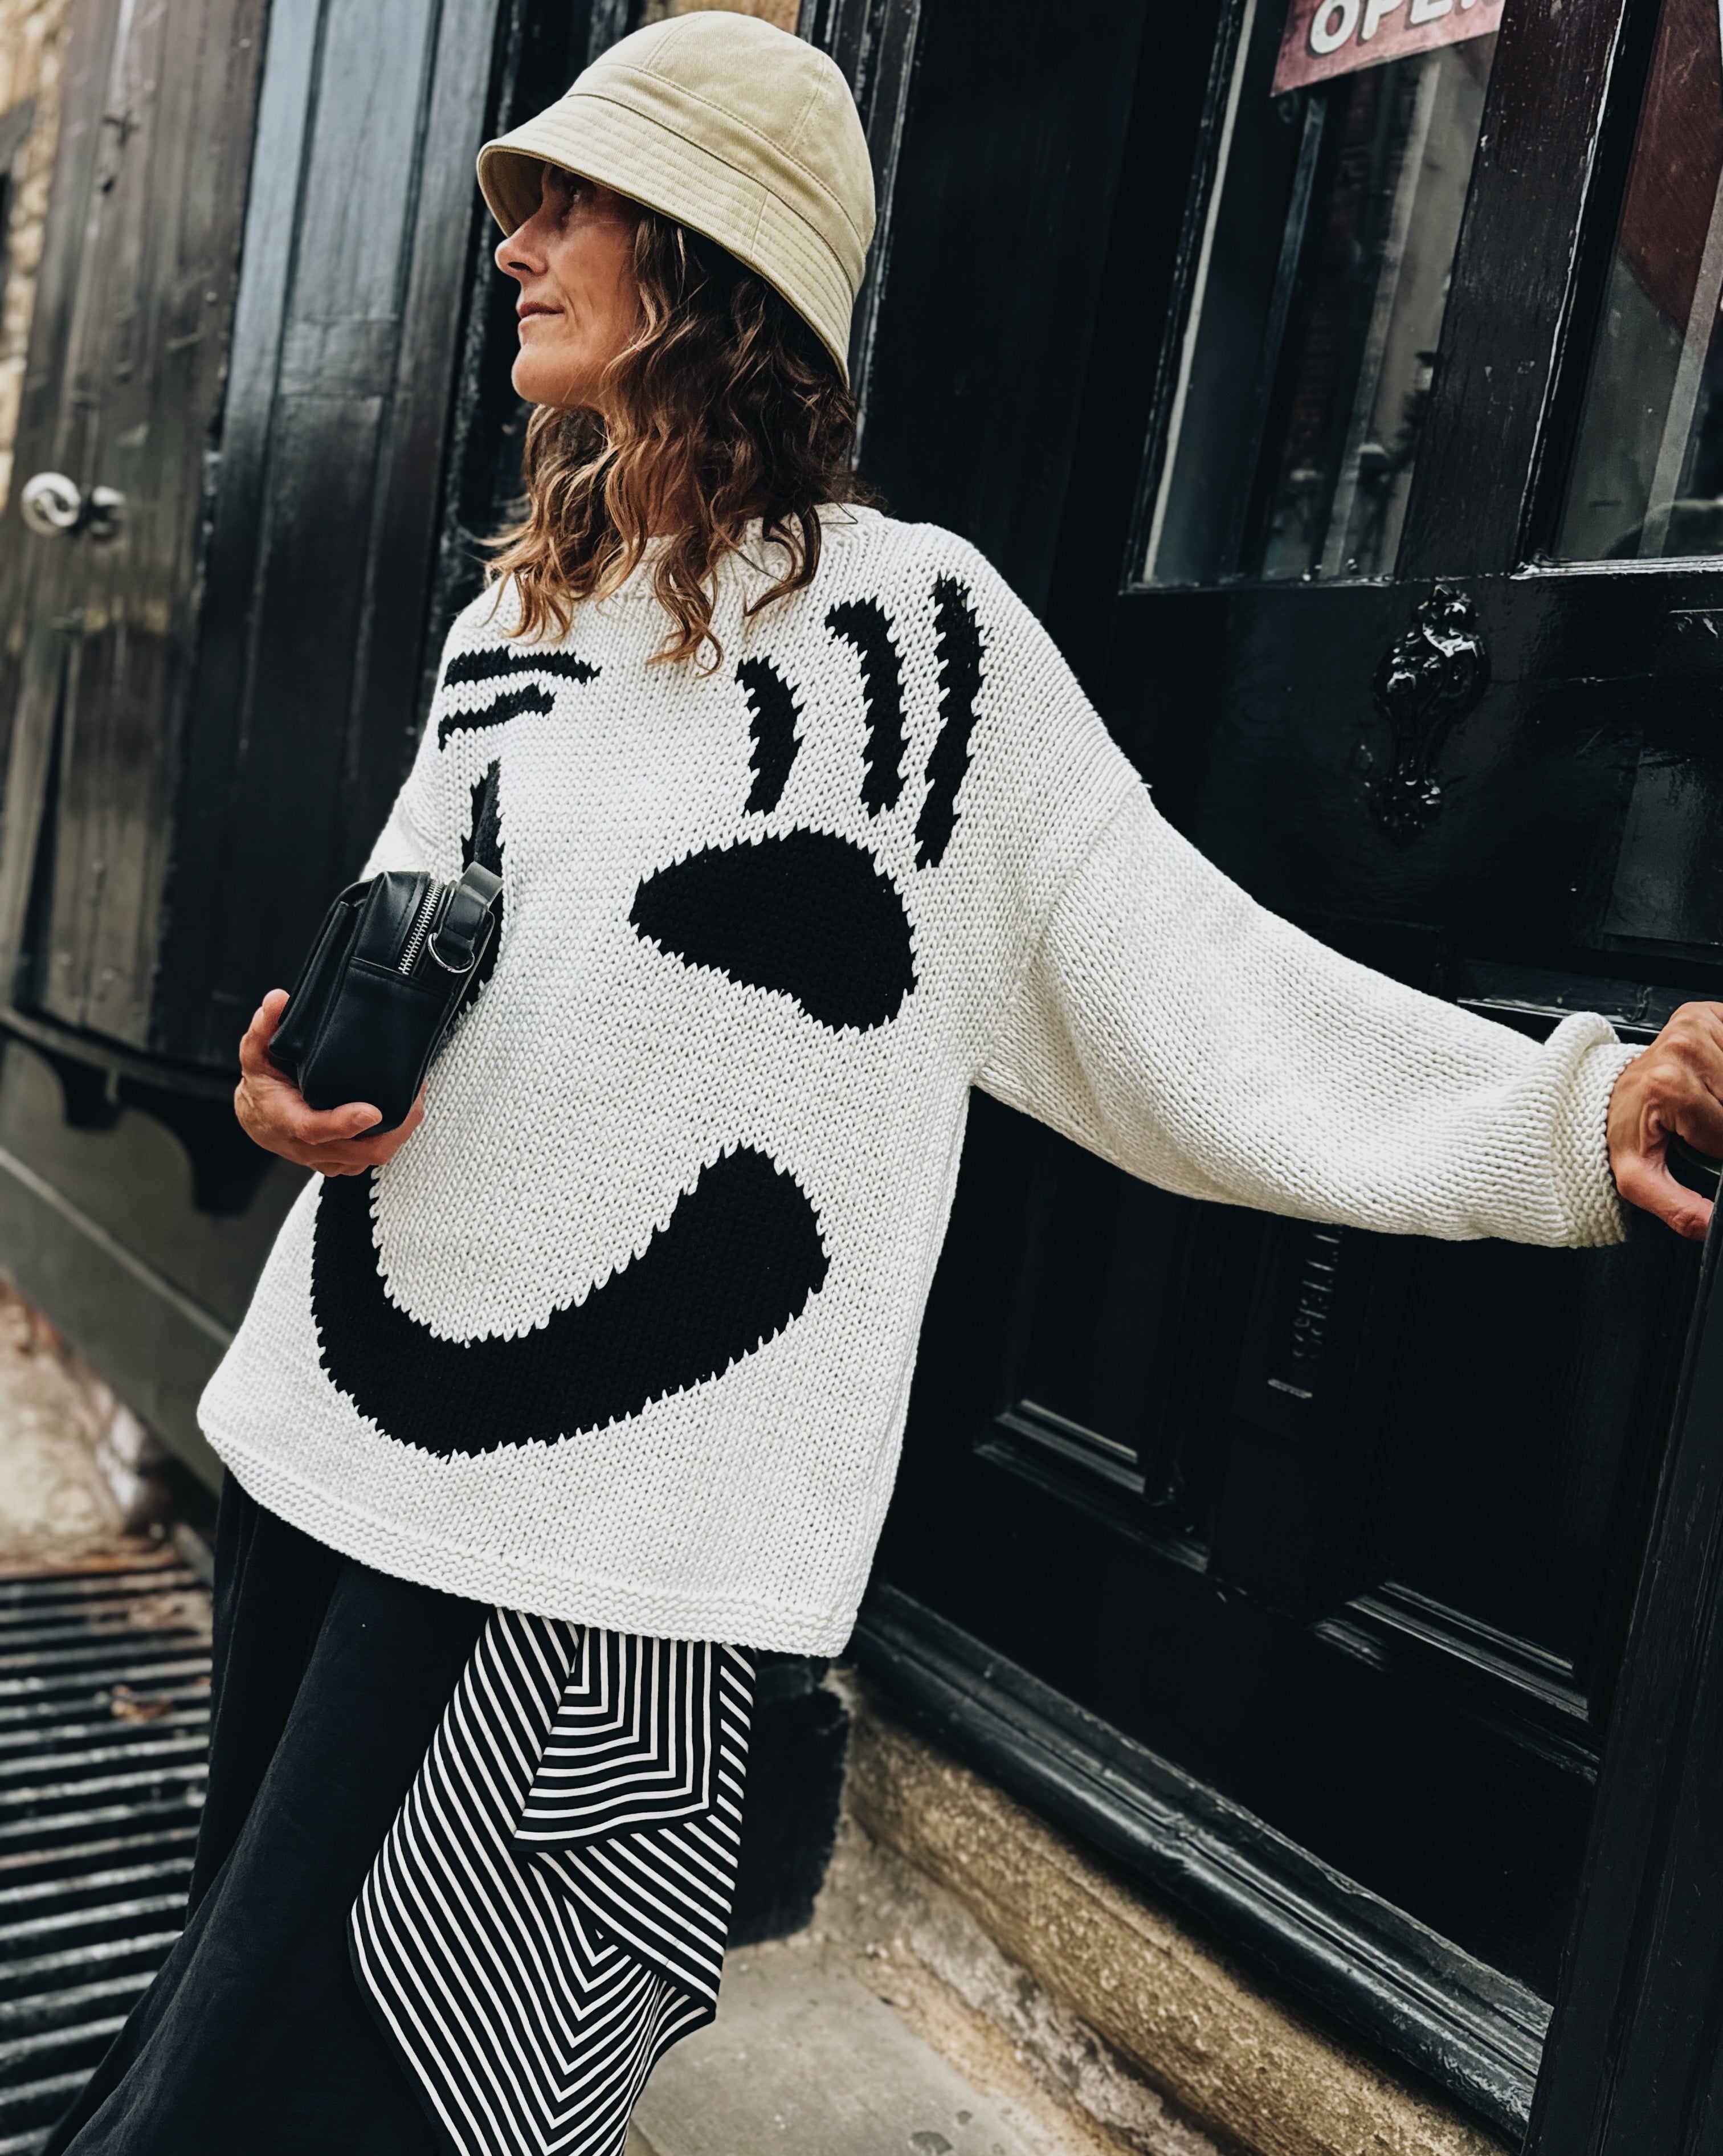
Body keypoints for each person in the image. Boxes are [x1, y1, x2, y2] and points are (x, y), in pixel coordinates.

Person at [45, 13, 1723, 2156]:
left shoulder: (920, 645)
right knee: (232, 2043)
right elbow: (405, 933)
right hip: (329, 1452)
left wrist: (1559, 1114)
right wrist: (295, 1095)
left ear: (709, 255)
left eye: (571, 207)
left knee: (381, 2098)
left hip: (609, 1551)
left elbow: (1188, 997)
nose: (514, 248)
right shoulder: (512, 616)